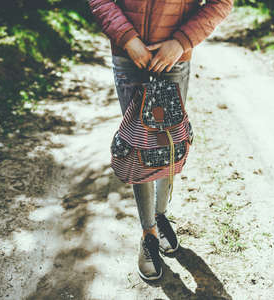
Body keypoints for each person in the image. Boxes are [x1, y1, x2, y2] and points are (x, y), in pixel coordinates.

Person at [89, 0, 233, 281]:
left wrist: (181, 41)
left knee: (168, 146)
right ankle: (148, 233)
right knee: (140, 146)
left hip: (174, 58)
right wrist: (128, 39)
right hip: (128, 56)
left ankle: (161, 214)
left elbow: (222, 2)